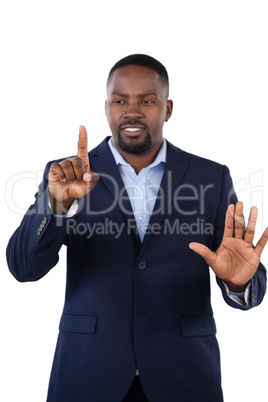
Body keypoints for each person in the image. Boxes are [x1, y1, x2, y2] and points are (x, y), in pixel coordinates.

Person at [6, 54, 268, 402]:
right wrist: (56, 205)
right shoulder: (67, 174)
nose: (131, 111)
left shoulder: (211, 177)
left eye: (147, 100)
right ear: (106, 107)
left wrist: (239, 281)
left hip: (184, 377)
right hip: (88, 374)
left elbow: (244, 273)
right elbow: (23, 268)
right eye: (119, 100)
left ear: (168, 108)